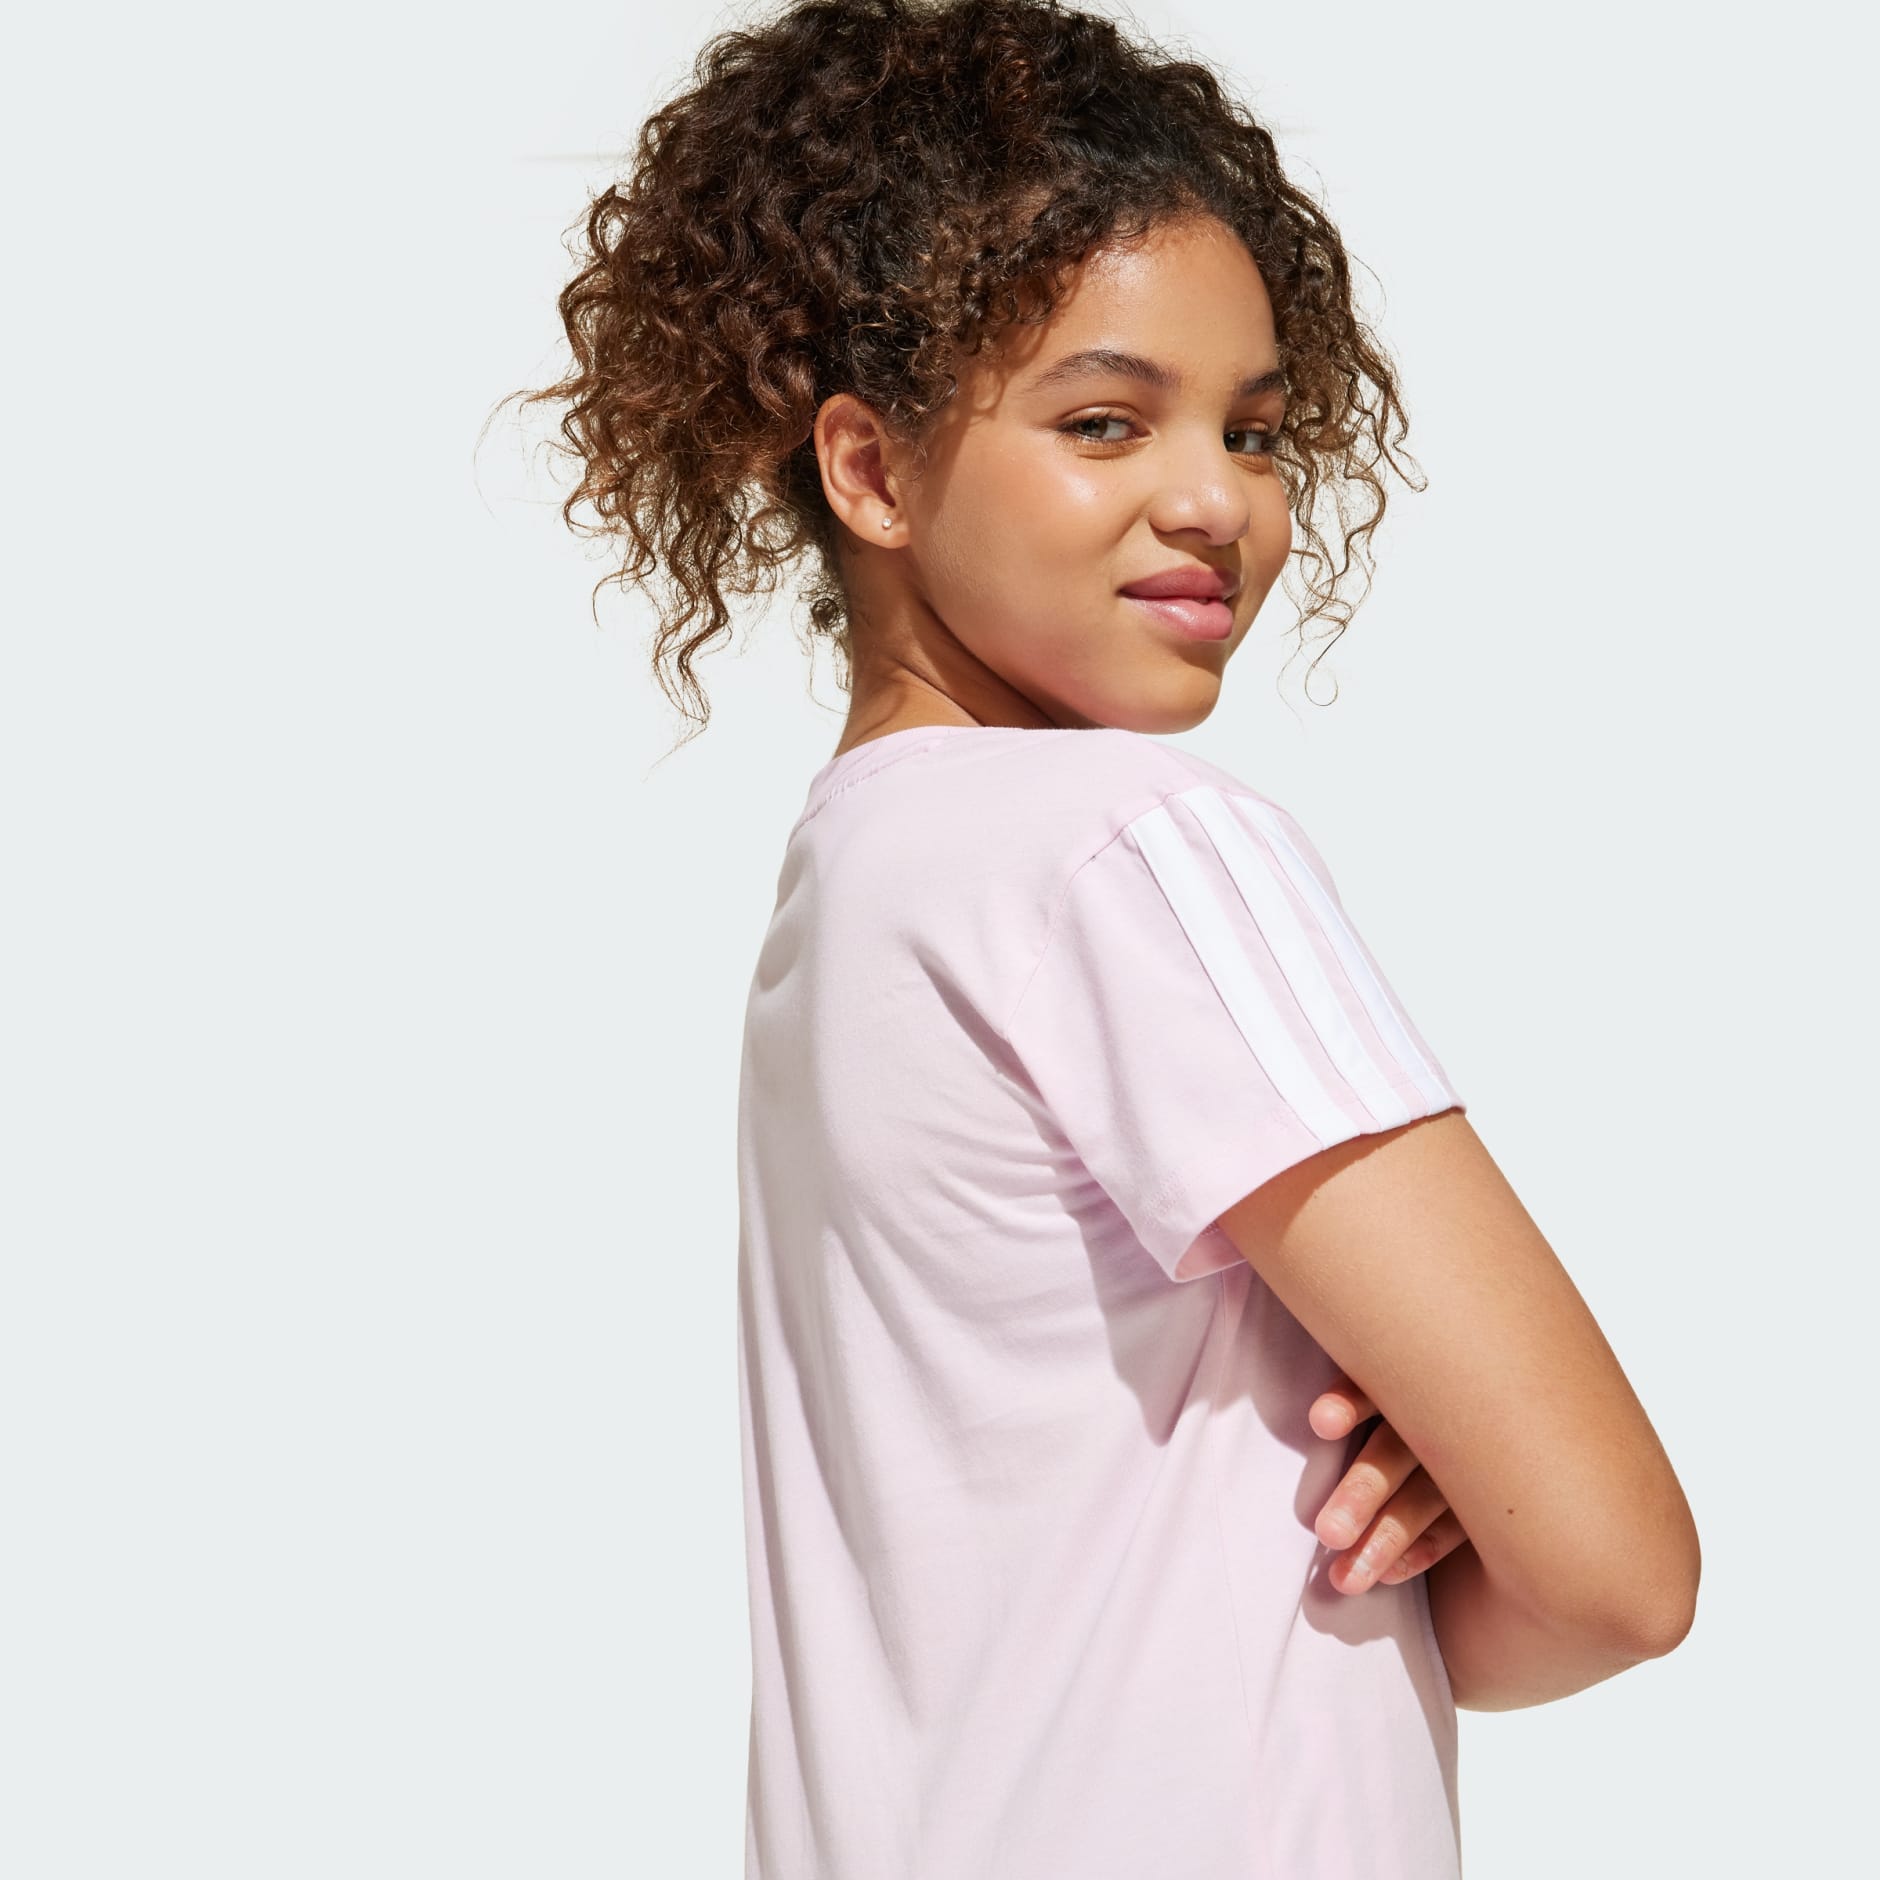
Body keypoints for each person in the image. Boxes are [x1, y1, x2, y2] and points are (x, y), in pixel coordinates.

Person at [512, 1, 1701, 1872]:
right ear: (870, 471)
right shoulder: (1124, 848)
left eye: (1257, 429)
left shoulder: (857, 887)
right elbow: (1619, 1574)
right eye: (1102, 422)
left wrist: (1447, 1490)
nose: (1217, 500)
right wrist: (1458, 1529)